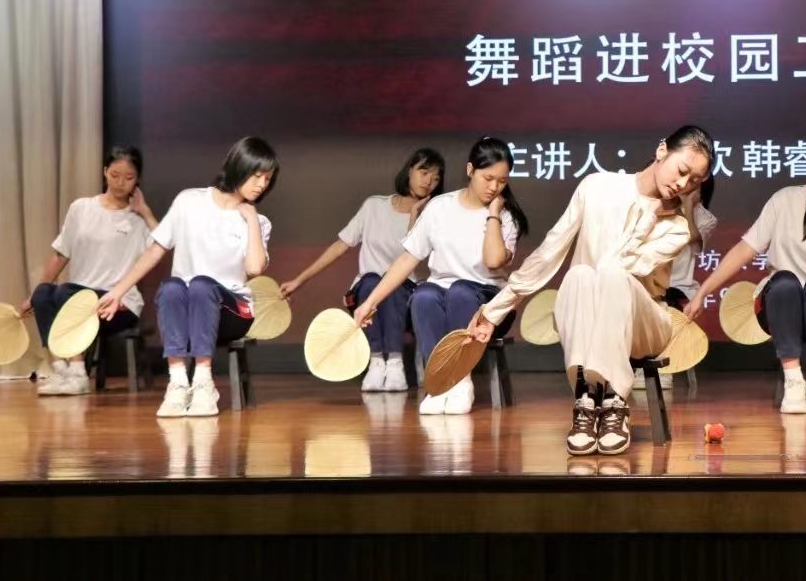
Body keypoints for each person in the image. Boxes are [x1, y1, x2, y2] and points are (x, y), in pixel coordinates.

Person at [465, 126, 714, 456]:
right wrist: (494, 312)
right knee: (580, 274)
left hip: (644, 323)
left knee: (610, 274)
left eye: (694, 181)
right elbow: (549, 251)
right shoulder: (596, 187)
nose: (683, 184)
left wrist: (653, 213)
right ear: (661, 151)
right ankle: (587, 398)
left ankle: (614, 401)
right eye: (682, 171)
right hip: (586, 310)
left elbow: (623, 264)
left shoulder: (677, 226)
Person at [688, 140, 806, 415]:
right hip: (780, 305)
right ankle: (794, 382)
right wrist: (702, 292)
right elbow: (744, 250)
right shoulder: (786, 199)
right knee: (785, 281)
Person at [98, 137, 280, 418]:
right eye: (257, 176)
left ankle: (204, 383)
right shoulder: (189, 201)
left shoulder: (259, 222)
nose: (262, 185)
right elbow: (155, 250)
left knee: (201, 285)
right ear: (239, 167)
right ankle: (178, 382)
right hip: (188, 306)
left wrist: (253, 220)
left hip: (233, 312)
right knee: (171, 287)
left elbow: (255, 269)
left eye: (267, 179)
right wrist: (117, 292)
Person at [354, 138, 528, 415]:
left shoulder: (506, 216)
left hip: (489, 304)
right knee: (423, 295)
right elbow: (407, 259)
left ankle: (460, 381)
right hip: (442, 296)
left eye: (502, 181)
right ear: (470, 170)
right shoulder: (440, 207)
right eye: (488, 178)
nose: (494, 187)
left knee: (460, 291)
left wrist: (493, 214)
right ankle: (439, 383)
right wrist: (370, 302)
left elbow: (493, 261)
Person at [280, 148, 445, 392]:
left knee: (393, 283)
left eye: (436, 177)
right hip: (366, 294)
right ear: (410, 170)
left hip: (405, 295)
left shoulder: (432, 214)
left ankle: (395, 364)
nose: (429, 181)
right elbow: (340, 246)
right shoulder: (373, 206)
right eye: (424, 172)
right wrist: (299, 280)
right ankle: (377, 363)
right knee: (371, 281)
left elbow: (408, 256)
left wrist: (414, 215)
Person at [20, 147, 158, 396]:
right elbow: (61, 254)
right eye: (115, 175)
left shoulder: (137, 220)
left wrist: (145, 212)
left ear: (137, 180)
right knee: (44, 294)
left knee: (69, 294)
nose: (120, 182)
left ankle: (78, 373)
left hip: (117, 303)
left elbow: (161, 246)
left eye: (128, 177)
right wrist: (33, 297)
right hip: (74, 297)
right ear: (105, 172)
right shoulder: (81, 208)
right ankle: (61, 371)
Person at [634, 175, 717, 392]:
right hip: (648, 283)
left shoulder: (706, 219)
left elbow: (689, 236)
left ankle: (662, 368)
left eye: (693, 187)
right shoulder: (656, 206)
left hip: (680, 287)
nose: (685, 189)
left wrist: (687, 205)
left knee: (667, 299)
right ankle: (633, 365)